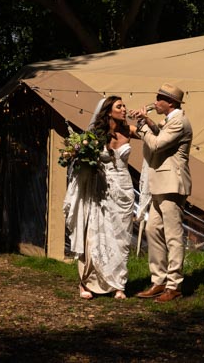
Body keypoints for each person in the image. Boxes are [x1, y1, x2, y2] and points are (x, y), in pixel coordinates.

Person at [62, 95, 137, 299]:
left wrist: (145, 120)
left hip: (123, 187)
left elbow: (153, 136)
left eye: (124, 106)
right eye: (119, 106)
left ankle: (118, 284)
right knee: (95, 235)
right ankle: (85, 282)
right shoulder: (95, 135)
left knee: (121, 237)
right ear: (108, 111)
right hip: (100, 188)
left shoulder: (129, 131)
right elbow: (83, 160)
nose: (124, 109)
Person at [130, 82, 192, 303]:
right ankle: (159, 280)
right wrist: (146, 120)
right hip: (160, 184)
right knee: (153, 229)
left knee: (173, 236)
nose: (155, 102)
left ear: (171, 103)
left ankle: (174, 285)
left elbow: (157, 144)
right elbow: (160, 133)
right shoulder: (170, 120)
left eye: (159, 99)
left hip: (172, 184)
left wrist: (142, 127)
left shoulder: (179, 121)